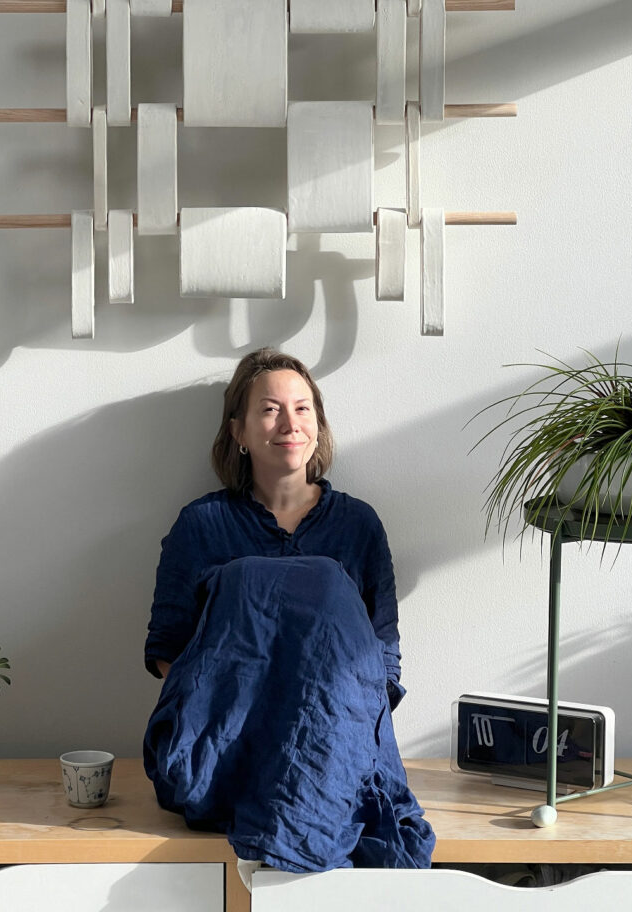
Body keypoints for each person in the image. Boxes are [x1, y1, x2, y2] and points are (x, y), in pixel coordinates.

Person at [143, 348, 435, 873]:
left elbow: (382, 660)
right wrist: (243, 722)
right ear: (239, 430)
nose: (290, 423)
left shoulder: (357, 526)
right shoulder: (201, 526)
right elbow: (169, 651)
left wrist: (319, 739)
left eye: (303, 409)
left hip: (336, 758)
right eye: (270, 409)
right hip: (227, 761)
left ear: (319, 426)